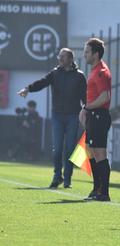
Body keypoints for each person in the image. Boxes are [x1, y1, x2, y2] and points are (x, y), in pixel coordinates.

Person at [17, 48, 87, 189]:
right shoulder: (55, 73)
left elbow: (84, 97)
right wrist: (27, 89)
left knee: (69, 149)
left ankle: (67, 178)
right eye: (59, 56)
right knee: (57, 149)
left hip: (73, 116)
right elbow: (42, 82)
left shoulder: (79, 76)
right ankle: (57, 176)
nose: (59, 59)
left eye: (62, 57)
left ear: (70, 59)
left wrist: (86, 111)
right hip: (57, 116)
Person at [79, 38, 112, 201]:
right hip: (94, 115)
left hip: (99, 115)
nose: (84, 55)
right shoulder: (94, 69)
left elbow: (105, 97)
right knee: (90, 151)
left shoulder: (101, 71)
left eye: (87, 52)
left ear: (96, 54)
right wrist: (86, 110)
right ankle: (96, 188)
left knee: (100, 153)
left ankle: (103, 192)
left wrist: (87, 108)